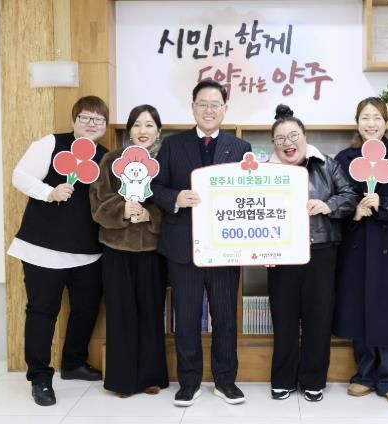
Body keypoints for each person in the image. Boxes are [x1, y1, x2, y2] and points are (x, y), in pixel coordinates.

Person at [151, 80, 251, 407]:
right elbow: (156, 188)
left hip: (224, 248)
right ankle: (189, 382)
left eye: (215, 104)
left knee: (225, 318)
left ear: (225, 109)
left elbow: (249, 194)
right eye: (203, 104)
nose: (209, 110)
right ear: (193, 107)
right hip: (184, 247)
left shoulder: (240, 148)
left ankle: (226, 381)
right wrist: (176, 198)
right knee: (187, 318)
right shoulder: (172, 145)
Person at [7, 96, 108, 406]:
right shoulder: (51, 143)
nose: (91, 123)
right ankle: (40, 377)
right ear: (74, 119)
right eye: (85, 117)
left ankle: (74, 362)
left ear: (105, 126)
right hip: (42, 250)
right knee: (42, 313)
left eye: (98, 119)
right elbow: (20, 176)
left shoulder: (105, 157)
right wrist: (48, 192)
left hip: (88, 253)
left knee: (86, 309)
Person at [332, 97, 388, 406]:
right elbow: (336, 199)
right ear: (357, 122)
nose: (371, 124)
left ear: (386, 122)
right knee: (361, 309)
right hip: (358, 246)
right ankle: (365, 375)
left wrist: (384, 204)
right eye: (365, 118)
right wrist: (354, 211)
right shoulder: (344, 158)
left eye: (377, 118)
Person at [267, 104, 357, 402]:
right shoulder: (265, 172)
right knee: (284, 319)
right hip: (281, 255)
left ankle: (313, 380)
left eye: (293, 135)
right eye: (281, 138)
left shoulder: (327, 165)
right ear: (274, 144)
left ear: (305, 137)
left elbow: (349, 196)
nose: (288, 142)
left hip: (321, 251)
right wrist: (261, 250)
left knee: (318, 318)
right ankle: (282, 379)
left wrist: (327, 205)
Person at [89, 104, 169, 398]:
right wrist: (122, 209)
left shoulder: (166, 161)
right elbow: (98, 201)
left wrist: (152, 215)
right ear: (129, 130)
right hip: (116, 249)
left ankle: (150, 376)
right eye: (137, 125)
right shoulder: (111, 160)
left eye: (149, 125)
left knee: (151, 312)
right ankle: (122, 380)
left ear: (158, 131)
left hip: (153, 250)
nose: (143, 130)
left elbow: (174, 203)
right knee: (120, 314)